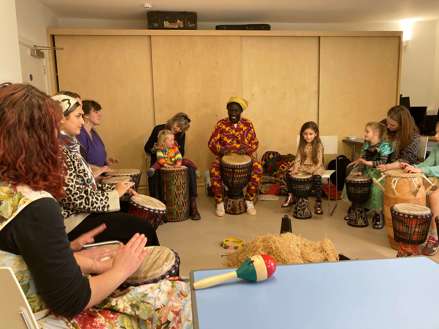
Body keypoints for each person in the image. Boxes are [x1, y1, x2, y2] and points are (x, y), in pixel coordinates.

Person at [0, 84, 191, 327]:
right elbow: (70, 300)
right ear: (35, 139)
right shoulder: (35, 207)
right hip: (42, 319)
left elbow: (19, 255)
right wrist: (121, 270)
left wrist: (71, 253)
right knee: (176, 299)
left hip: (10, 313)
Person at [52, 92, 160, 245]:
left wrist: (116, 192)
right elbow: (77, 200)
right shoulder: (57, 151)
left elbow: (81, 191)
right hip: (73, 222)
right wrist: (114, 194)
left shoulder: (67, 145)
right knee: (143, 229)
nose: (82, 122)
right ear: (61, 118)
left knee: (128, 209)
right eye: (78, 116)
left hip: (83, 213)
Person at [208, 96, 263, 217]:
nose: (233, 113)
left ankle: (249, 200)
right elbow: (211, 143)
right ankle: (219, 202)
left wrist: (247, 149)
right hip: (225, 156)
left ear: (241, 111)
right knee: (214, 169)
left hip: (244, 157)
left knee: (258, 168)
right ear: (227, 110)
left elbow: (255, 142)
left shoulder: (247, 124)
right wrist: (221, 149)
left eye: (236, 110)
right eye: (230, 110)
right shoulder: (221, 124)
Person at [144, 112, 201, 220]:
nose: (179, 130)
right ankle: (157, 211)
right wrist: (155, 149)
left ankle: (193, 204)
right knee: (153, 175)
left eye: (182, 129)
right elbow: (147, 148)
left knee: (191, 169)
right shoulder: (158, 129)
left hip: (174, 161)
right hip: (159, 161)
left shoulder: (181, 134)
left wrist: (175, 152)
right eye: (178, 126)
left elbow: (182, 152)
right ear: (173, 121)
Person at [345, 122, 392, 229]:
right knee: (352, 180)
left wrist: (366, 163)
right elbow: (363, 160)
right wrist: (360, 170)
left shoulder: (385, 146)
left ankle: (378, 214)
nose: (364, 133)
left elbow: (382, 163)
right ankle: (357, 207)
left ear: (375, 133)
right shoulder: (366, 144)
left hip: (379, 173)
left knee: (376, 189)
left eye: (367, 131)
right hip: (367, 170)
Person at [402, 120, 439, 255]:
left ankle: (434, 235)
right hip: (436, 178)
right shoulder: (437, 148)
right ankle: (414, 230)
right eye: (436, 132)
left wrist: (423, 170)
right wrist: (415, 168)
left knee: (434, 195)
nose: (436, 136)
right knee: (416, 188)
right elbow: (428, 163)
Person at [283, 121, 325, 215]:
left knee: (317, 178)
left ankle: (318, 202)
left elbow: (318, 162)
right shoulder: (302, 145)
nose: (308, 136)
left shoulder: (318, 146)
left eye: (311, 134)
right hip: (303, 167)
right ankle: (291, 195)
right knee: (288, 174)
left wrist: (309, 171)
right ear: (302, 134)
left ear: (316, 134)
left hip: (316, 167)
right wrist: (295, 169)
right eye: (305, 134)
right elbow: (298, 159)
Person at [77, 99, 116, 177]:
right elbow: (79, 163)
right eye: (96, 112)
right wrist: (100, 170)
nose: (100, 115)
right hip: (90, 179)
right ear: (86, 115)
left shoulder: (94, 133)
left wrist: (105, 162)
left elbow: (94, 157)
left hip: (100, 175)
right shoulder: (80, 134)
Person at [378, 105, 420, 171]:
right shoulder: (384, 125)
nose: (388, 126)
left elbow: (406, 159)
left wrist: (387, 167)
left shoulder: (413, 136)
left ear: (402, 125)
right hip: (385, 165)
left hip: (404, 169)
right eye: (387, 122)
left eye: (392, 125)